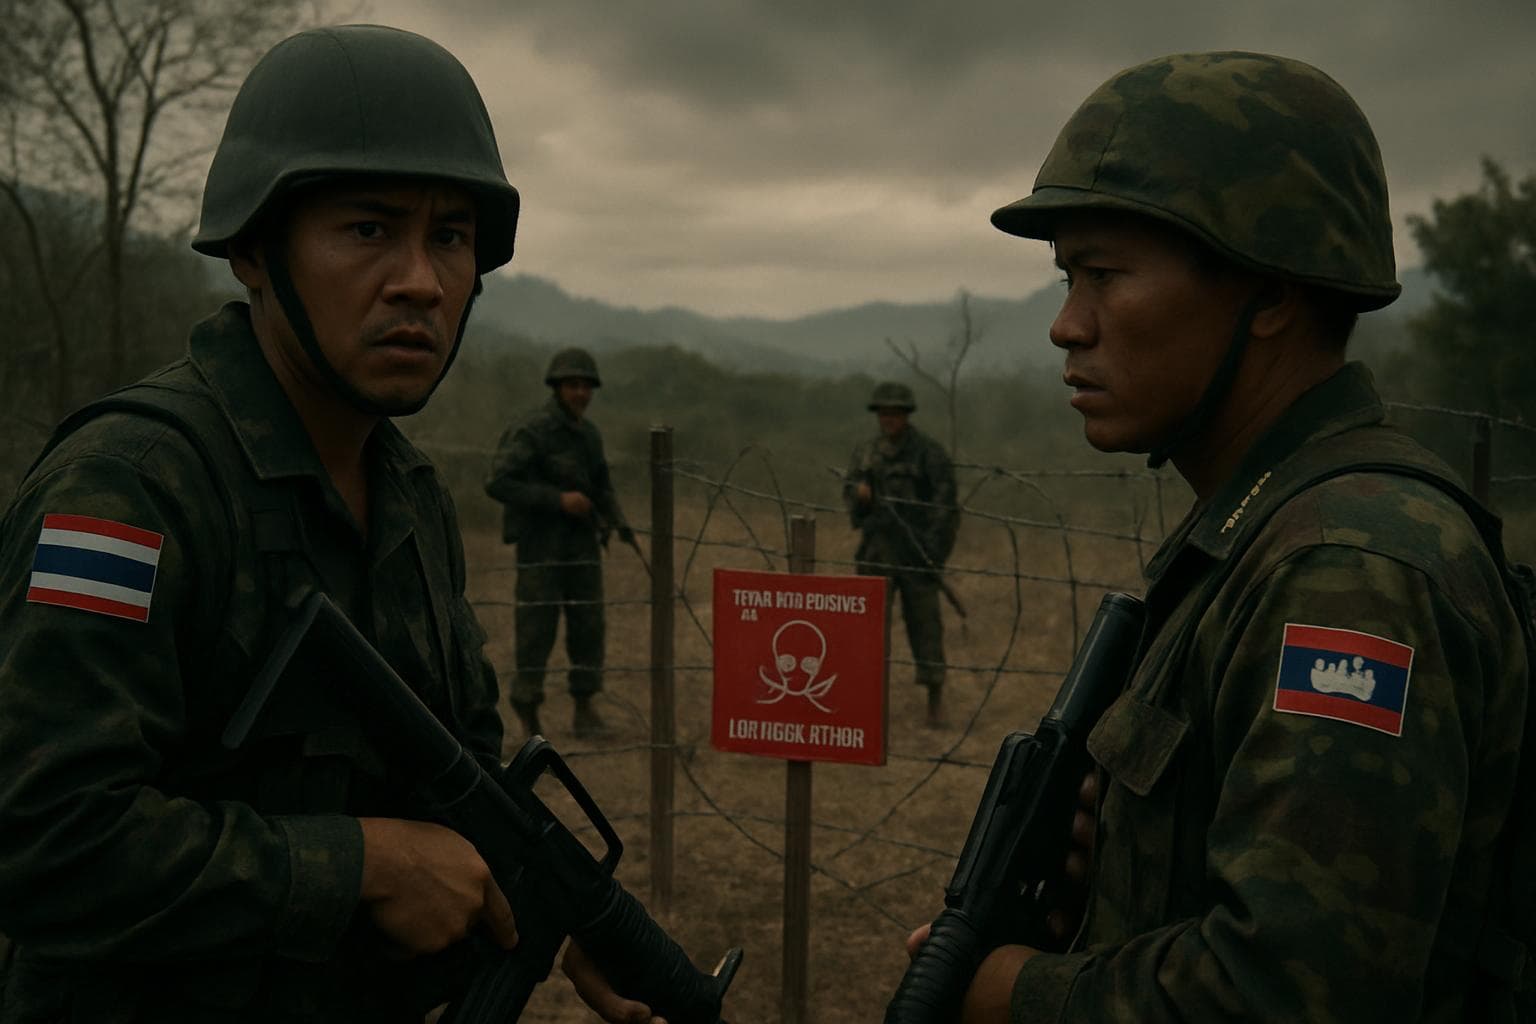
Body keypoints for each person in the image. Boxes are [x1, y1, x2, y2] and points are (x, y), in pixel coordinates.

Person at [0, 25, 662, 1024]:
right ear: (256, 252)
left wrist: (557, 912)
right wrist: (361, 863)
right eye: (367, 230)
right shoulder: (130, 489)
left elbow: (457, 780)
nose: (420, 281)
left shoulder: (411, 497)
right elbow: (44, 841)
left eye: (449, 236)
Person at [916, 51, 1532, 1021]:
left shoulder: (1350, 563)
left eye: (1105, 276)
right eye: (1067, 277)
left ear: (1273, 294)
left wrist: (1011, 993)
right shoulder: (1264, 526)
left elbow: (1289, 992)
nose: (1066, 326)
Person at [485, 347, 633, 739]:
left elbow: (602, 485)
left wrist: (618, 520)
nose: (580, 393)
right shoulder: (532, 429)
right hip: (541, 546)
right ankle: (528, 714)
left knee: (588, 625)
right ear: (557, 387)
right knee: (536, 628)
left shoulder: (589, 434)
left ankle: (585, 709)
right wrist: (557, 500)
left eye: (586, 386)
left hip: (582, 545)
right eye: (572, 385)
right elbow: (499, 482)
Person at [844, 381, 959, 727]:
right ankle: (864, 702)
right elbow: (851, 501)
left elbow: (945, 508)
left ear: (906, 415)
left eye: (895, 413)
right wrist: (859, 497)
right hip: (876, 552)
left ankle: (934, 701)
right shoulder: (866, 453)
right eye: (884, 413)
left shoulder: (929, 453)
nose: (889, 419)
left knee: (925, 626)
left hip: (915, 554)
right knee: (866, 630)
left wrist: (932, 555)